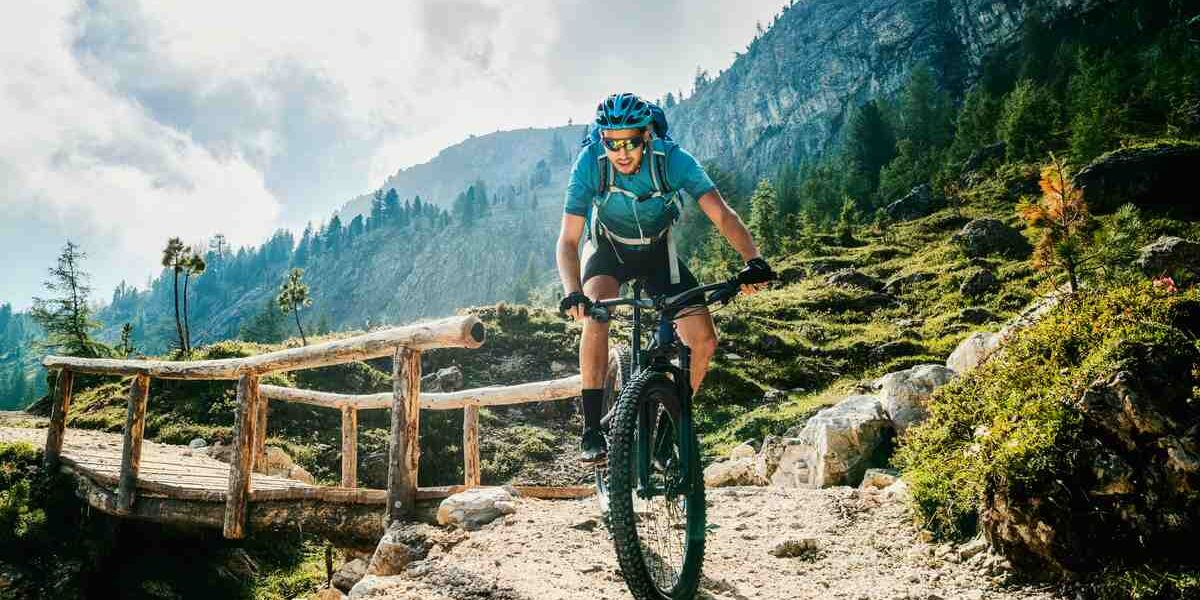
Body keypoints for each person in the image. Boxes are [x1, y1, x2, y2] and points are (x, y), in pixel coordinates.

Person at [555, 92, 775, 464]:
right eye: (612, 143)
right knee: (596, 315)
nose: (621, 153)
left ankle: (668, 431)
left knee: (703, 342)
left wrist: (753, 261)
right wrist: (573, 292)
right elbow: (569, 239)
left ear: (648, 135)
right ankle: (592, 429)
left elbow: (721, 214)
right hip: (608, 250)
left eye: (631, 142)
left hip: (659, 251)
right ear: (602, 140)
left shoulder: (673, 160)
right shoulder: (589, 164)